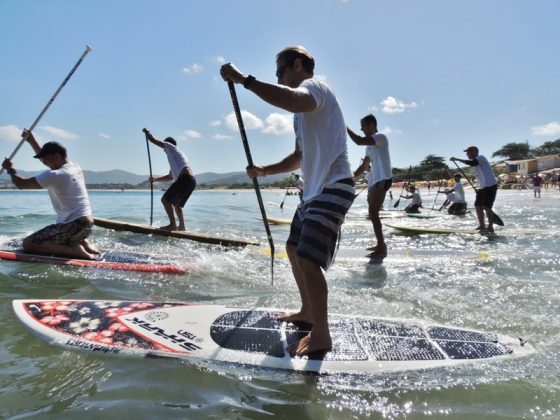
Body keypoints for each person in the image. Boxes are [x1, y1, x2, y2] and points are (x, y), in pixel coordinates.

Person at [220, 45, 355, 357]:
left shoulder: (314, 88)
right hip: (313, 190)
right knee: (293, 248)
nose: (278, 77)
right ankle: (308, 311)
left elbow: (292, 99)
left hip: (334, 185)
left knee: (308, 258)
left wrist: (244, 80)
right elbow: (299, 157)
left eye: (279, 71)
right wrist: (266, 170)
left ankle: (322, 334)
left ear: (297, 65)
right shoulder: (301, 116)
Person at [1, 129, 98, 259]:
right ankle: (83, 242)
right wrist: (32, 141)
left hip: (72, 226)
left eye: (46, 158)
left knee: (28, 243)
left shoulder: (56, 175)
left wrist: (10, 170)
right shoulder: (75, 167)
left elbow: (21, 184)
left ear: (57, 156)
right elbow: (44, 159)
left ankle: (74, 250)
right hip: (87, 226)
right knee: (58, 233)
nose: (44, 162)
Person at [348, 114, 391, 258]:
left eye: (363, 126)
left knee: (373, 212)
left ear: (371, 124)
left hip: (384, 178)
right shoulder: (369, 147)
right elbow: (363, 167)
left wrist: (344, 128)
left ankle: (382, 247)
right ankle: (380, 244)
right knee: (372, 212)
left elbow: (358, 141)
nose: (362, 129)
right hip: (375, 181)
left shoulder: (380, 137)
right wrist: (348, 178)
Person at [143, 128, 196, 231]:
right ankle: (182, 227)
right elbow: (170, 176)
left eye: (164, 147)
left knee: (165, 200)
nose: (164, 150)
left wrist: (147, 133)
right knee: (176, 205)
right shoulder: (177, 157)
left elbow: (154, 140)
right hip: (191, 181)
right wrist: (155, 179)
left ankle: (173, 225)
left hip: (185, 178)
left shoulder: (171, 147)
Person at [451, 146, 498, 233]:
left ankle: (491, 227)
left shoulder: (480, 158)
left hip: (490, 186)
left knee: (486, 206)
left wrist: (456, 159)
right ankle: (482, 226)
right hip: (482, 187)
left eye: (468, 152)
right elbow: (480, 177)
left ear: (474, 152)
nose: (467, 154)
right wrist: (478, 187)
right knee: (477, 206)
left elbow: (472, 163)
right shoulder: (476, 163)